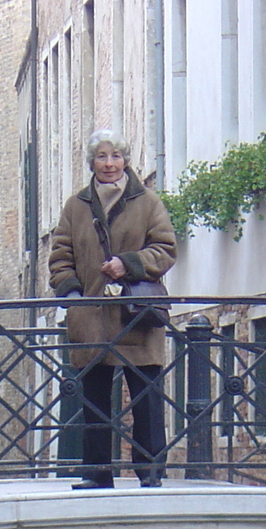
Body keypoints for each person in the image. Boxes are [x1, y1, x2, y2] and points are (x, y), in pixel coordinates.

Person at [48, 130, 178, 489]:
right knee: (94, 398)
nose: (109, 164)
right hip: (91, 315)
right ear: (92, 163)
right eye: (102, 157)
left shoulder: (148, 202)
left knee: (146, 398)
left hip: (136, 312)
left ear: (125, 160)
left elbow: (166, 248)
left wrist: (128, 263)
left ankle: (150, 471)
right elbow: (60, 257)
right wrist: (73, 296)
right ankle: (97, 473)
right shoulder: (76, 206)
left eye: (115, 156)